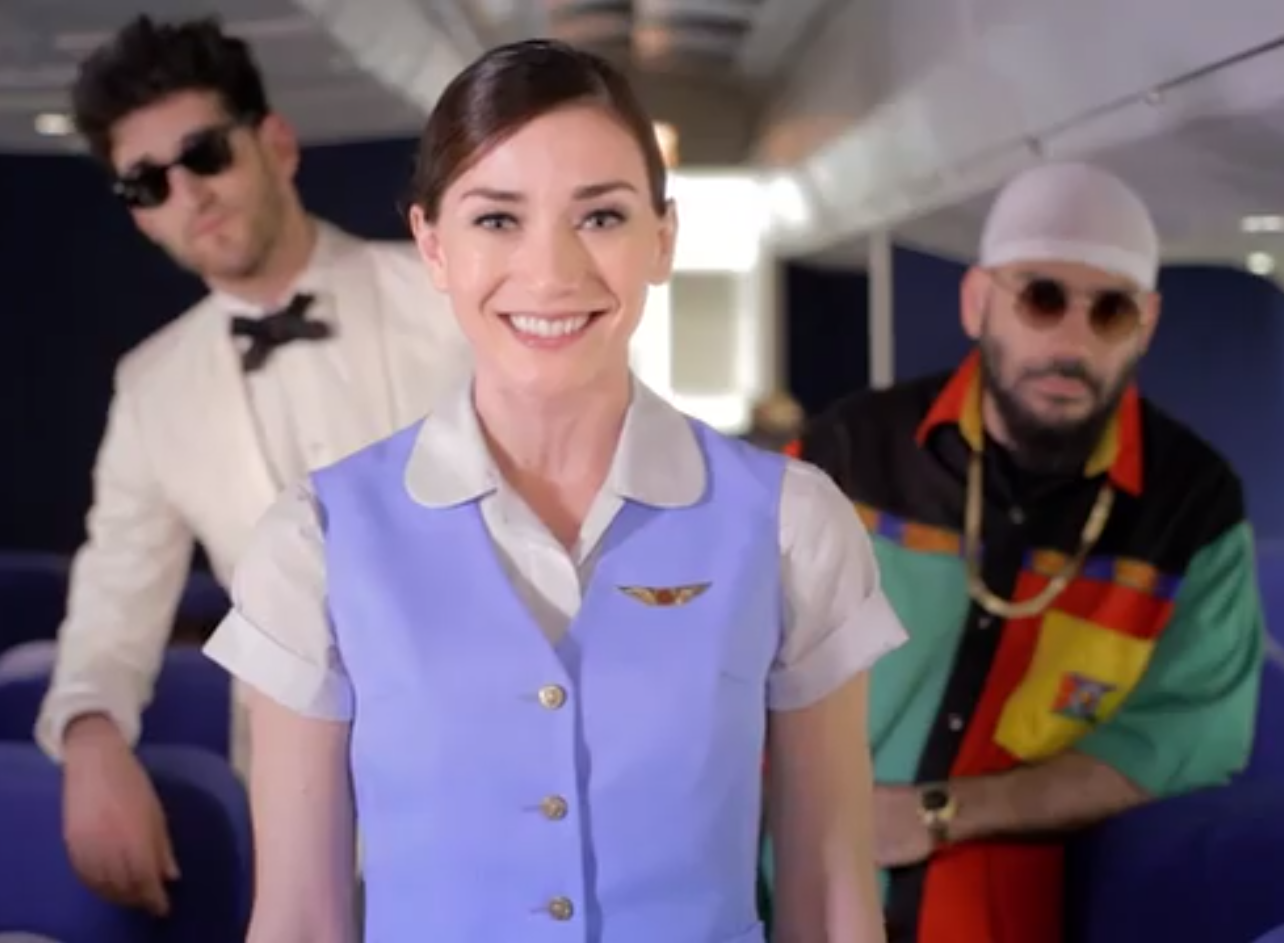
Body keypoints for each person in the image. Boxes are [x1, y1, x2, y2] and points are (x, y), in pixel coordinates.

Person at [203, 38, 906, 943]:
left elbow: (831, 894)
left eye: (601, 216)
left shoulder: (792, 524)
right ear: (433, 245)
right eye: (497, 219)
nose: (552, 272)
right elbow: (300, 919)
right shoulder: (315, 541)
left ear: (663, 239)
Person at [34, 14, 465, 919]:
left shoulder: (452, 299)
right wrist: (91, 736)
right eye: (147, 182)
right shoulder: (151, 386)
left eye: (204, 153)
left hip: (505, 763)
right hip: (294, 802)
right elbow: (115, 598)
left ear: (277, 144)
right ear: (138, 214)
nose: (187, 192)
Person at [783, 162, 1264, 942]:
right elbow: (728, 662)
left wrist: (944, 813)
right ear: (978, 302)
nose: (1072, 341)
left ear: (1146, 323)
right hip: (798, 889)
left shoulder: (1192, 509)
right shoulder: (846, 454)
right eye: (1042, 298)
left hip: (1002, 916)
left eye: (1110, 310)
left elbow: (1185, 737)